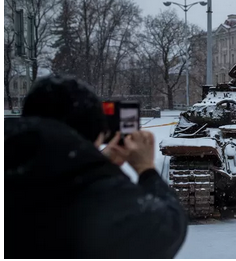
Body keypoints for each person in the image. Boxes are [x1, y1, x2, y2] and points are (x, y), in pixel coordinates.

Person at [4, 75, 188, 259]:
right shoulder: (94, 199)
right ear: (94, 132)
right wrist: (145, 167)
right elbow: (165, 231)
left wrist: (92, 164)